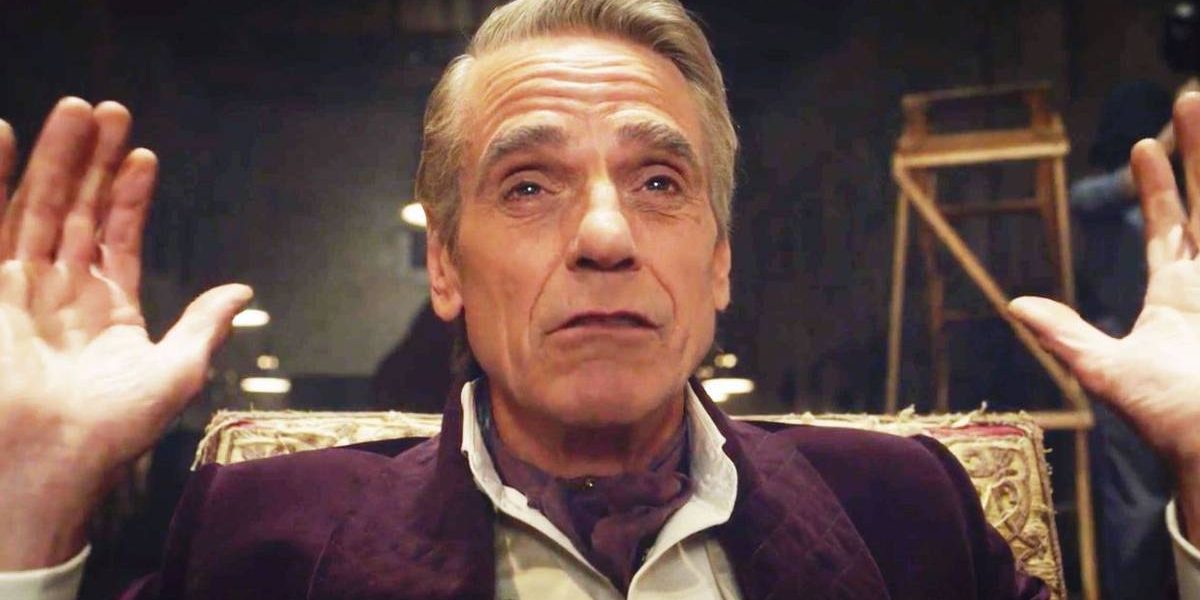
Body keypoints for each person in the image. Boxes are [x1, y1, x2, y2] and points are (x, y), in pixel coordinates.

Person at [0, 0, 1198, 598]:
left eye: (661, 182)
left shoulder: (911, 513)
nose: (608, 236)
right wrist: (28, 508)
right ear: (445, 269)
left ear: (718, 262)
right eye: (528, 185)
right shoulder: (254, 540)